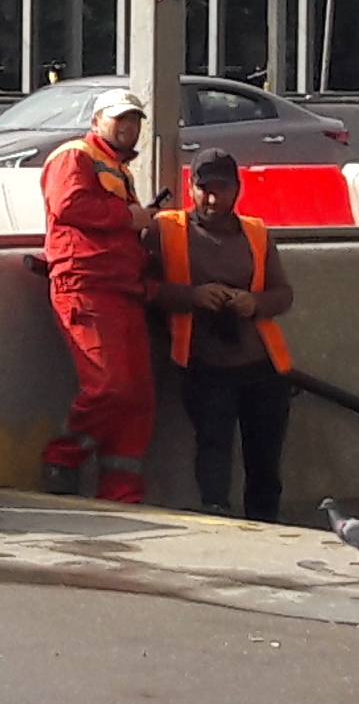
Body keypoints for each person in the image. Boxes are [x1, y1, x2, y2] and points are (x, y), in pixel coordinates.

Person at [149, 148, 297, 523]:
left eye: (222, 189)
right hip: (204, 364)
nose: (212, 199)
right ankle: (218, 519)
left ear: (237, 190)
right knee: (213, 449)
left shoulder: (256, 233)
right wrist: (193, 296)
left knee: (265, 460)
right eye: (204, 190)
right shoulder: (167, 229)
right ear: (191, 188)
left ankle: (266, 526)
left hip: (261, 364)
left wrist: (253, 302)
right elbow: (144, 288)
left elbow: (283, 294)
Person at [36, 84, 156, 502]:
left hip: (121, 290)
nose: (128, 126)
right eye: (119, 118)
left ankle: (122, 492)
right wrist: (130, 217)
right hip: (85, 286)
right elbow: (68, 206)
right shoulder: (75, 155)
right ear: (96, 121)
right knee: (112, 388)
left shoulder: (115, 168)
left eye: (134, 119)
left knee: (137, 397)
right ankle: (62, 459)